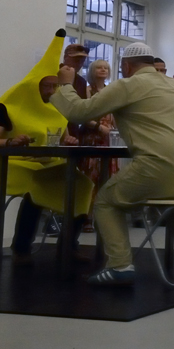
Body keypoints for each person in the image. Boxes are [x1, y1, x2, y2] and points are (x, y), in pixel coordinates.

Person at [51, 41, 174, 286]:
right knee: (171, 200)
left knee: (106, 201)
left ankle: (120, 266)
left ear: (126, 66)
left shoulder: (127, 85)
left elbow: (79, 112)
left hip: (162, 166)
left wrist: (65, 84)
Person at [0, 30, 92, 266]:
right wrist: (10, 142)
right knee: (37, 185)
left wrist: (69, 141)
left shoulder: (56, 109)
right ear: (33, 85)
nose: (51, 92)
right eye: (46, 86)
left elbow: (64, 138)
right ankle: (21, 247)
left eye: (54, 86)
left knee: (83, 184)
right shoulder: (8, 108)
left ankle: (68, 244)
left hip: (48, 163)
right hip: (11, 164)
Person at [80, 58, 116, 232]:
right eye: (99, 67)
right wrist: (98, 127)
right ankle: (86, 217)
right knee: (90, 178)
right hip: (92, 136)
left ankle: (104, 218)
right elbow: (83, 115)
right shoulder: (88, 90)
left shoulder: (111, 91)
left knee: (108, 178)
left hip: (109, 139)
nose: (103, 70)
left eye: (105, 68)